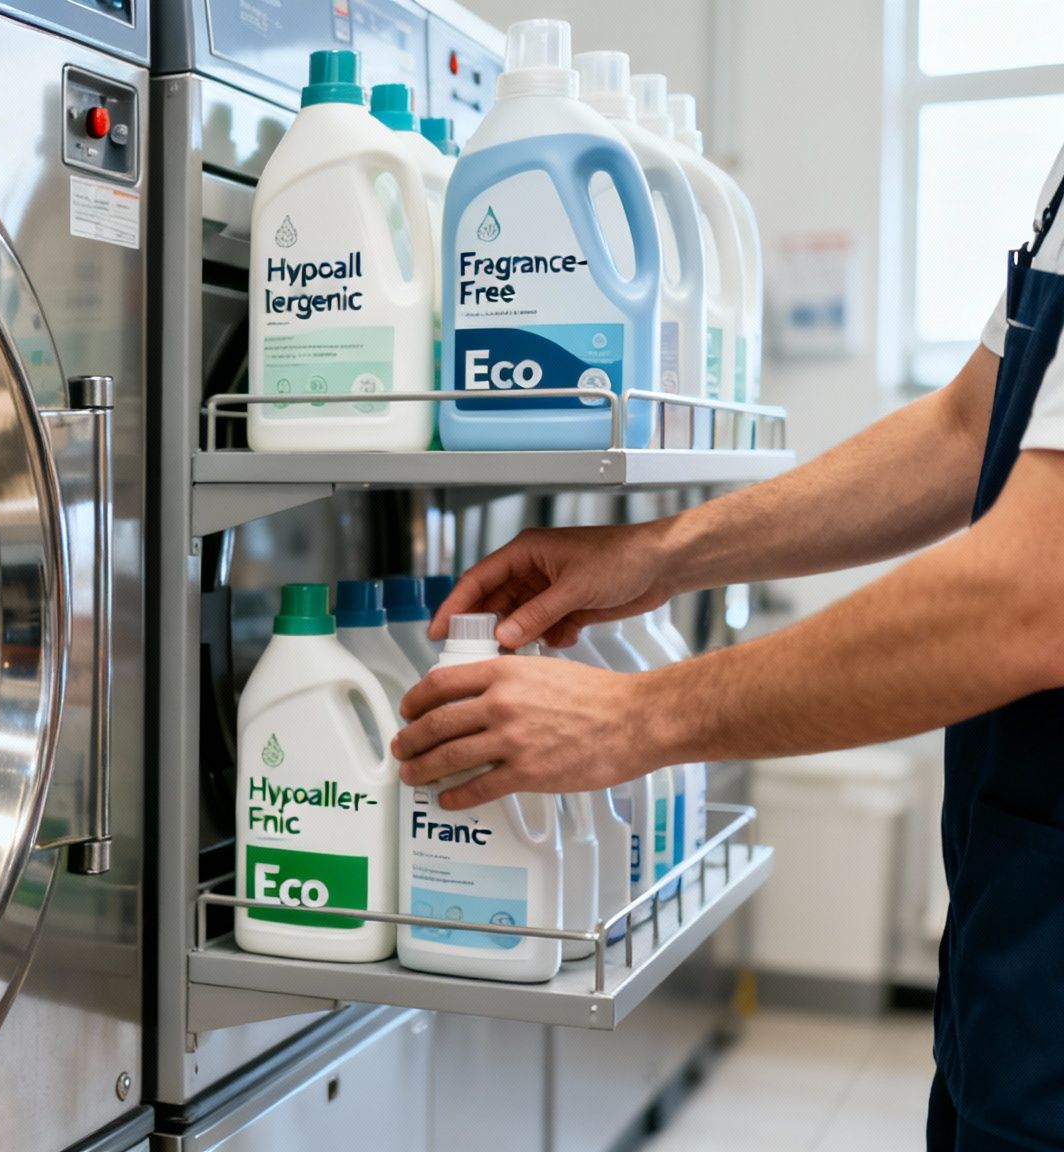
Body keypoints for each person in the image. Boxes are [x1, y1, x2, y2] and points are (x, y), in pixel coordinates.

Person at [393, 145, 1064, 1152]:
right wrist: (657, 553)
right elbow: (968, 428)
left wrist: (635, 717)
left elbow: (1033, 591)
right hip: (1015, 942)